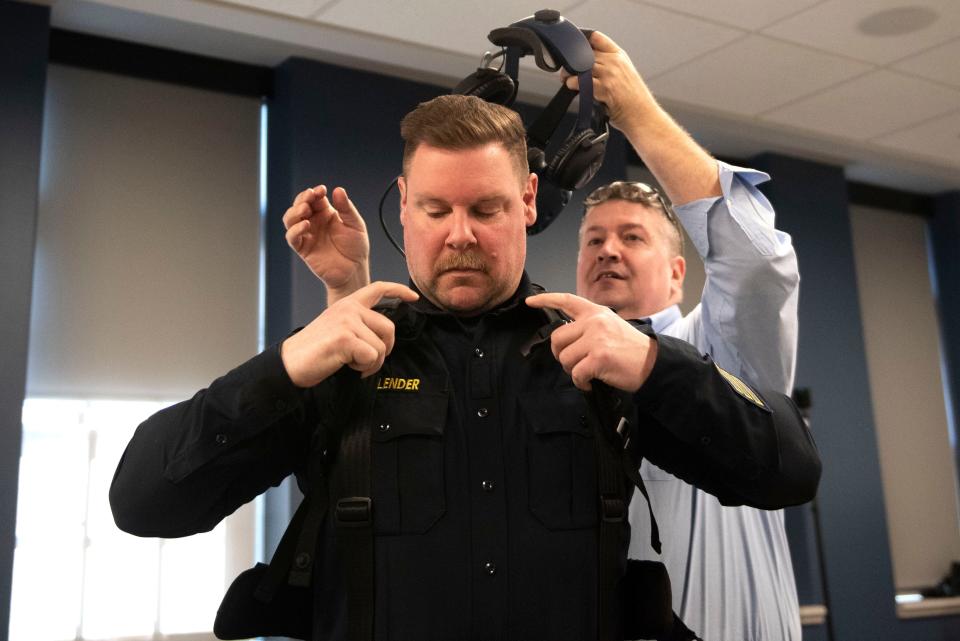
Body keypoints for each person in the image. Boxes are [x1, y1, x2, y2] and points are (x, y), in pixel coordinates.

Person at [110, 92, 819, 641]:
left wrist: (659, 367)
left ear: (529, 203)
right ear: (406, 208)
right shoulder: (346, 355)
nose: (460, 234)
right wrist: (286, 364)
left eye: (486, 207)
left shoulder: (597, 353)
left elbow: (789, 469)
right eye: (436, 207)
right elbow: (143, 499)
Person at [293, 31, 807, 641]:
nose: (608, 251)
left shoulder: (719, 344)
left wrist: (636, 112)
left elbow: (756, 266)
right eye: (594, 239)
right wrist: (349, 290)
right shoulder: (561, 361)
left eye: (633, 238)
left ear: (677, 272)